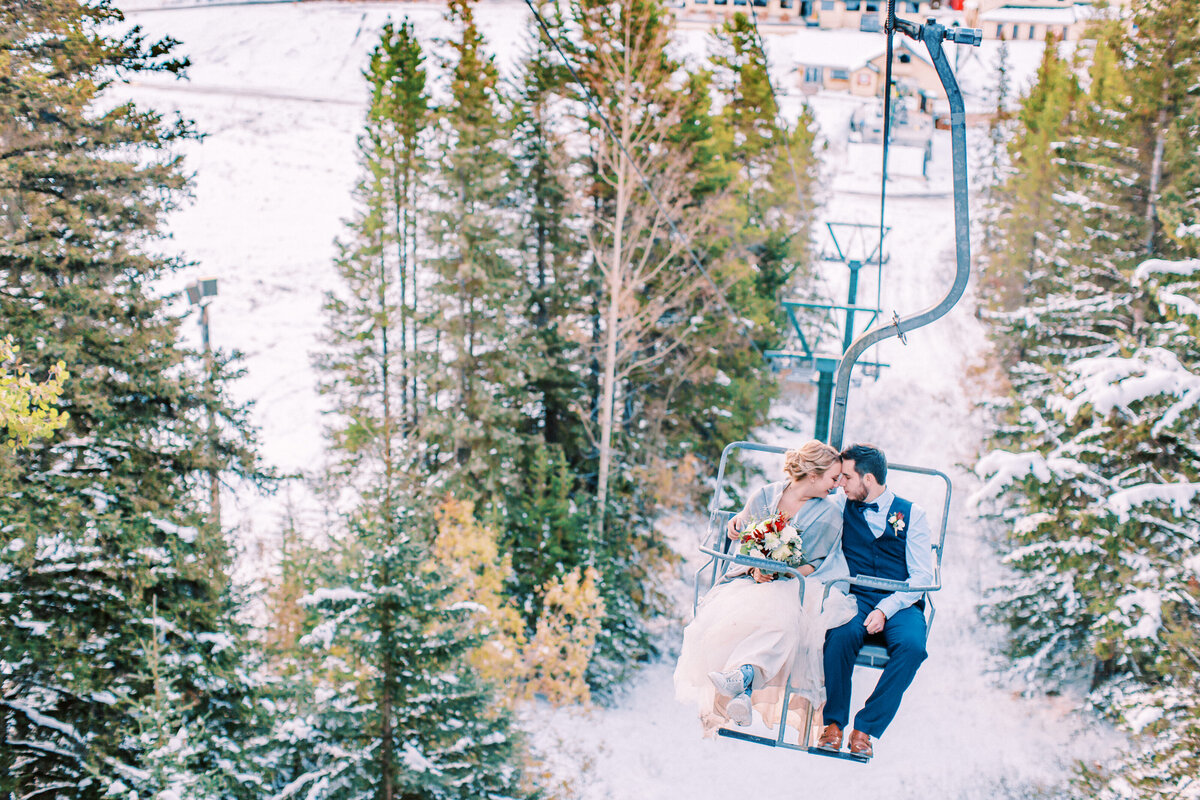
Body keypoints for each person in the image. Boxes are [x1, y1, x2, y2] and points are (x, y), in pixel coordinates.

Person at [673, 441, 858, 738]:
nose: (836, 487)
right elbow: (744, 541)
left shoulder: (829, 514)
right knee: (738, 618)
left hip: (793, 583)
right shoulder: (764, 496)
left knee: (783, 619)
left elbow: (818, 562)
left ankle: (742, 680)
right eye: (833, 479)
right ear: (813, 475)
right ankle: (743, 687)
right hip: (749, 578)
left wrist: (780, 572)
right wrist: (755, 567)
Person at [817, 443, 934, 760]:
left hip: (901, 602)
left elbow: (922, 577)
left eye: (847, 477)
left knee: (913, 647)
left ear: (867, 479)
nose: (841, 484)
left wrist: (887, 608)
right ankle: (833, 723)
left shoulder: (913, 515)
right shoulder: (840, 506)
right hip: (855, 596)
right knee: (840, 635)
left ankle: (865, 728)